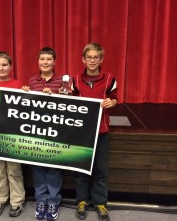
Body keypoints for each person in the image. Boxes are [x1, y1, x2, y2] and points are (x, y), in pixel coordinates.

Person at [22, 47, 67, 221]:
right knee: (38, 167)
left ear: (54, 62)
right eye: (42, 59)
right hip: (37, 130)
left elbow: (69, 103)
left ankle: (53, 201)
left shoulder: (63, 81)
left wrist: (59, 95)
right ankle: (41, 200)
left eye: (49, 59)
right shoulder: (32, 81)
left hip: (56, 132)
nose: (45, 62)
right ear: (38, 62)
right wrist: (25, 93)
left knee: (55, 168)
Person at [73, 42, 118, 221]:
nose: (92, 60)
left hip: (101, 131)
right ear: (83, 59)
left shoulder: (109, 78)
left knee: (100, 170)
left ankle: (100, 203)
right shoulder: (75, 79)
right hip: (81, 132)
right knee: (82, 170)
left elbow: (115, 99)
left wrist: (111, 103)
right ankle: (82, 201)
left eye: (96, 57)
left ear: (101, 59)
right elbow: (70, 102)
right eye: (89, 57)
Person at [0, 51, 25, 217]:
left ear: (10, 67)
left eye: (4, 65)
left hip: (12, 136)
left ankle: (16, 202)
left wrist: (26, 94)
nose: (1, 68)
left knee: (13, 170)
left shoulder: (18, 85)